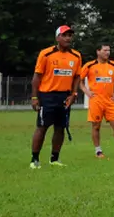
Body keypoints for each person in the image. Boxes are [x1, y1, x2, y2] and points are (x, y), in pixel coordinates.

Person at [30, 25, 83, 169]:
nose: (68, 38)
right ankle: (34, 159)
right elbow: (37, 76)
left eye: (70, 35)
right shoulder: (46, 54)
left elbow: (77, 77)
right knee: (42, 127)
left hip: (65, 96)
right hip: (47, 95)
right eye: (64, 35)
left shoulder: (76, 56)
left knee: (60, 128)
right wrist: (35, 97)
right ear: (57, 37)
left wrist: (74, 94)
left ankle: (55, 159)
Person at [79, 43, 114, 158]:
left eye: (109, 50)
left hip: (109, 101)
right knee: (96, 126)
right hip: (96, 100)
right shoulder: (90, 65)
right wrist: (86, 91)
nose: (107, 52)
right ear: (98, 51)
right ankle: (98, 151)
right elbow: (79, 79)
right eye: (105, 50)